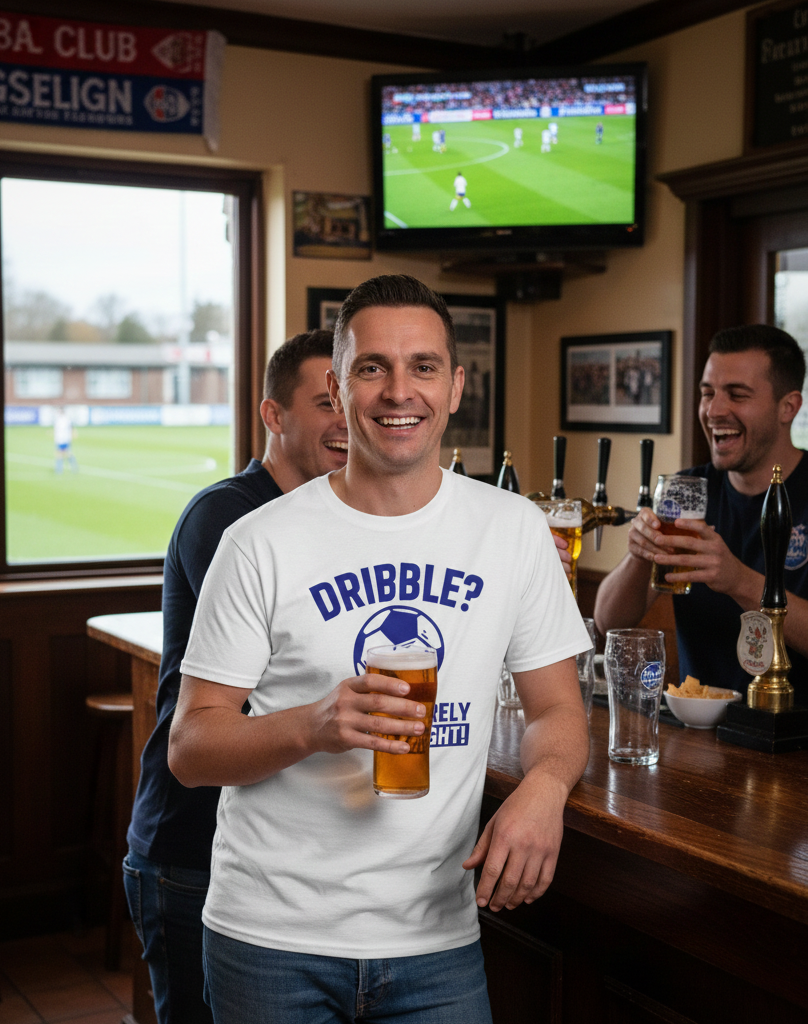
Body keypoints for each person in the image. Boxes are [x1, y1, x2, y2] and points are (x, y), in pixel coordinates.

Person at [169, 274, 591, 1024]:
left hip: (437, 936)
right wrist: (313, 724)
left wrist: (545, 787)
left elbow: (556, 707)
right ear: (337, 388)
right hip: (272, 937)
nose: (401, 392)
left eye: (423, 367)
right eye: (373, 369)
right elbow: (193, 746)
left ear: (456, 386)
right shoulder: (256, 541)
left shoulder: (512, 528)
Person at [124, 329, 348, 1024]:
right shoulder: (226, 516)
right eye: (323, 403)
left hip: (281, 854)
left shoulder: (334, 517)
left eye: (349, 398)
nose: (344, 419)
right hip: (192, 846)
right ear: (273, 416)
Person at [594, 324, 808, 697]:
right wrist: (640, 555)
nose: (714, 410)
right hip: (700, 738)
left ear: (788, 407)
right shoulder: (688, 492)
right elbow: (609, 620)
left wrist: (738, 581)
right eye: (707, 393)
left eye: (737, 395)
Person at [53, 408, 77, 473]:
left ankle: (60, 470)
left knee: (64, 454)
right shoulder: (59, 419)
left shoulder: (64, 419)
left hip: (63, 439)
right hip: (61, 439)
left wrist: (73, 433)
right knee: (62, 454)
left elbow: (71, 427)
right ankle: (60, 469)